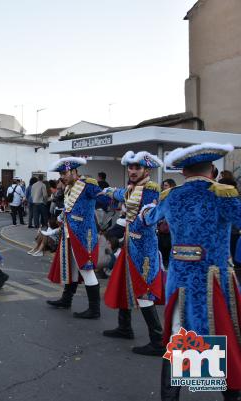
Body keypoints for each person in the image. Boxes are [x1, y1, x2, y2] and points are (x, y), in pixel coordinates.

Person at [141, 143, 241, 400]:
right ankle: (229, 394)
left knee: (180, 334)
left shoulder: (169, 196)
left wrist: (142, 214)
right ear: (214, 171)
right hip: (214, 279)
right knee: (222, 334)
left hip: (179, 279)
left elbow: (149, 218)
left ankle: (171, 397)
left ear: (183, 171)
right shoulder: (222, 194)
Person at [102, 151, 166, 356]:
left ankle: (158, 341)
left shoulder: (151, 189)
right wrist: (107, 191)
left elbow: (147, 217)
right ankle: (124, 327)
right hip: (130, 244)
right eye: (130, 167)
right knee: (125, 284)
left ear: (146, 170)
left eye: (137, 167)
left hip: (144, 246)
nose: (132, 170)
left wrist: (126, 227)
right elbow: (122, 195)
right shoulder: (133, 188)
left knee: (144, 290)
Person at [46, 157, 102, 319]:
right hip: (69, 233)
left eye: (65, 173)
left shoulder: (88, 185)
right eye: (61, 173)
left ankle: (94, 309)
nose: (62, 176)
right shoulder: (69, 187)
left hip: (84, 235)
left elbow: (104, 198)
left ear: (75, 171)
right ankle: (66, 299)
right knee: (71, 267)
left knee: (87, 270)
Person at [158, 179, 177, 269]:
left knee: (168, 246)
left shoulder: (174, 196)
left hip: (171, 227)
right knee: (162, 246)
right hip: (162, 227)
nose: (164, 187)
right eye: (164, 185)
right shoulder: (162, 197)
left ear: (171, 186)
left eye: (166, 185)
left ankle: (168, 264)